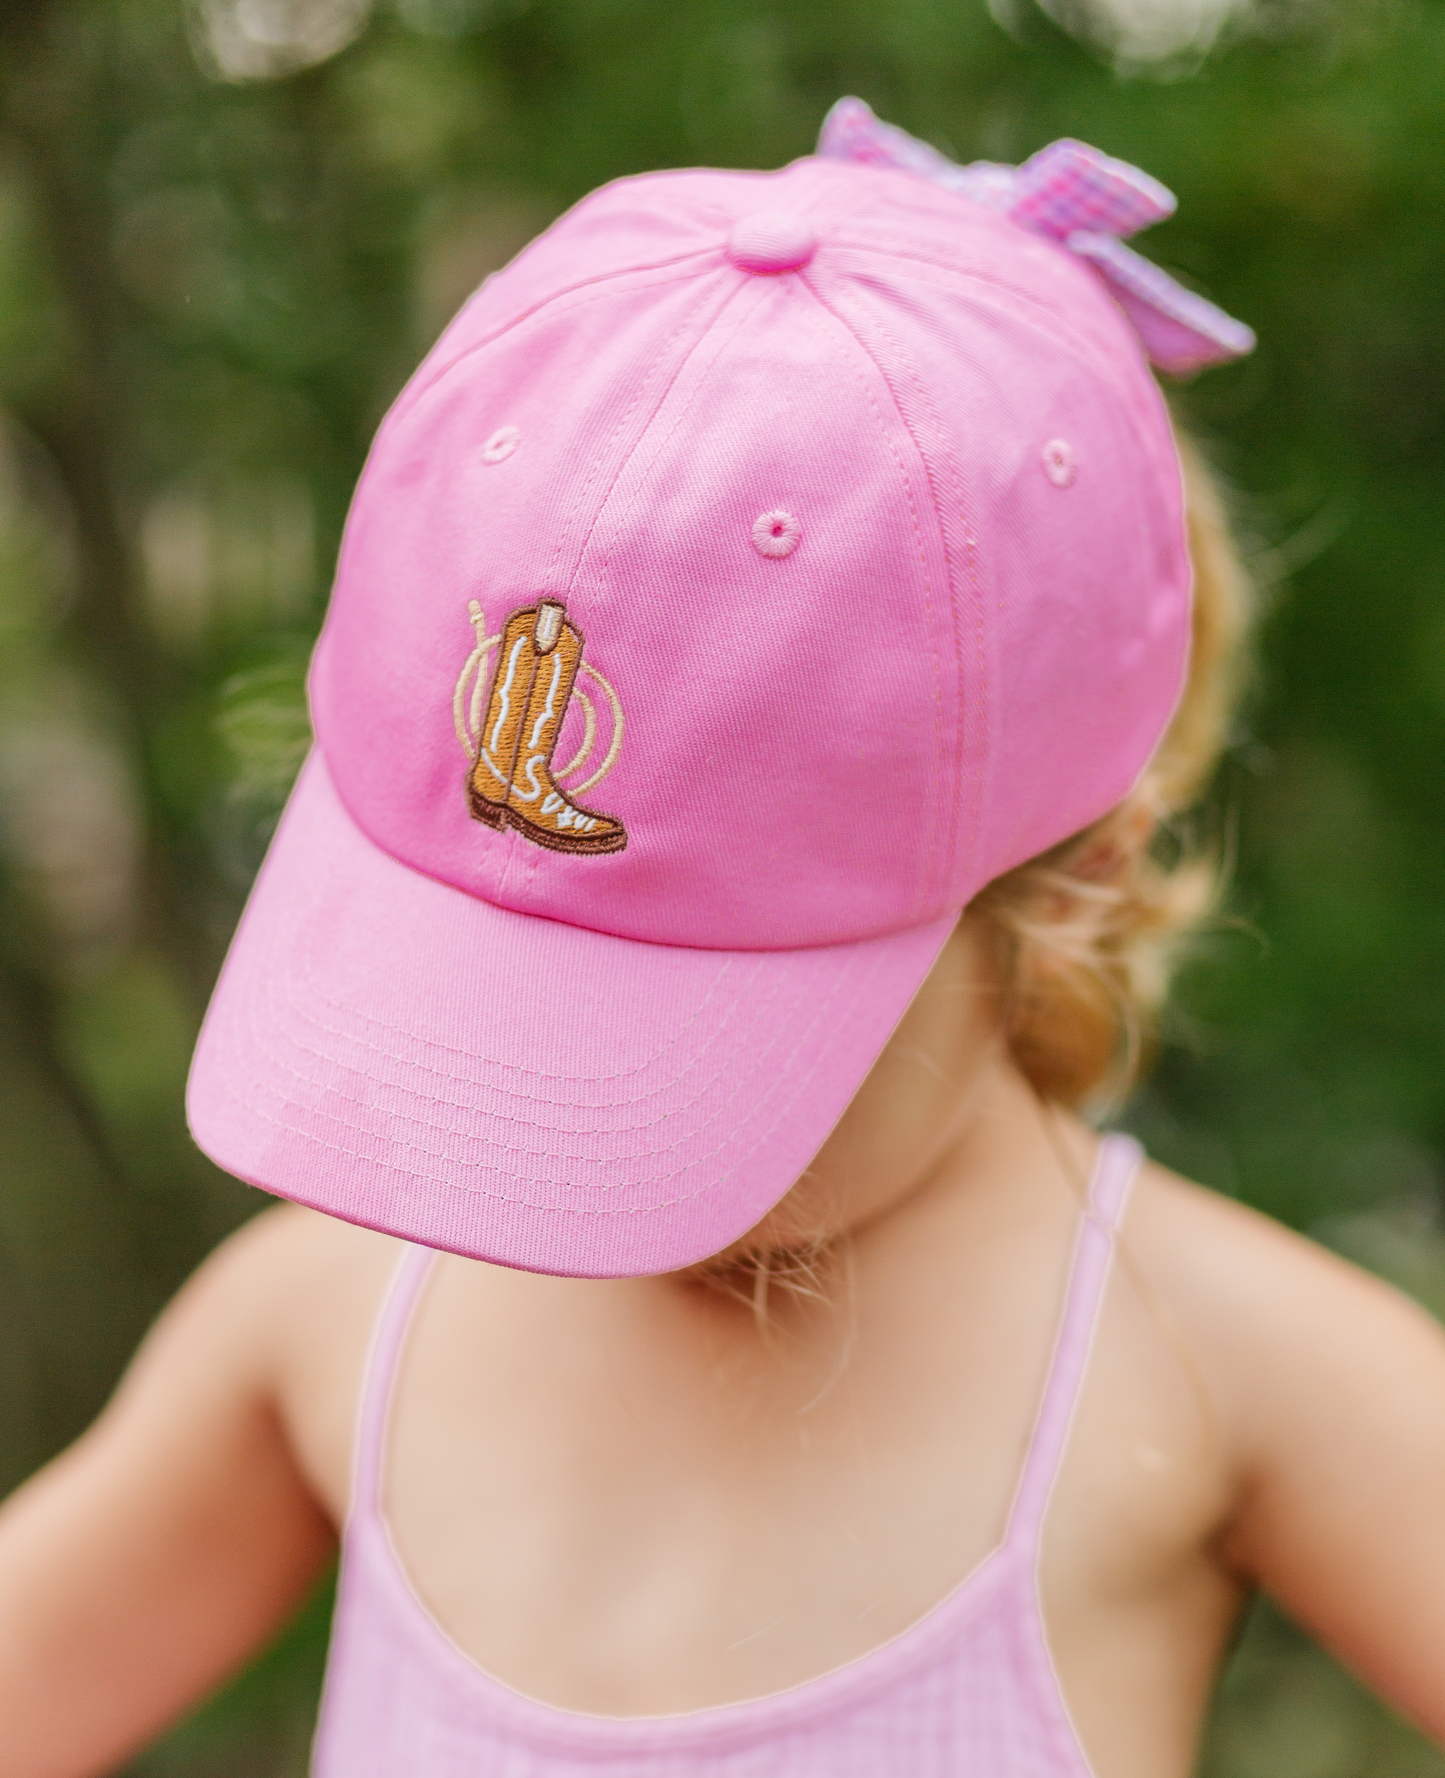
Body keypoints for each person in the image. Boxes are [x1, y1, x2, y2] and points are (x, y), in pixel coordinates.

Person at [2, 99, 1444, 1778]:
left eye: (668, 1024)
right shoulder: (335, 1314)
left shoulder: (1205, 1365)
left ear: (1080, 875)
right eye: (487, 976)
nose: (528, 1141)